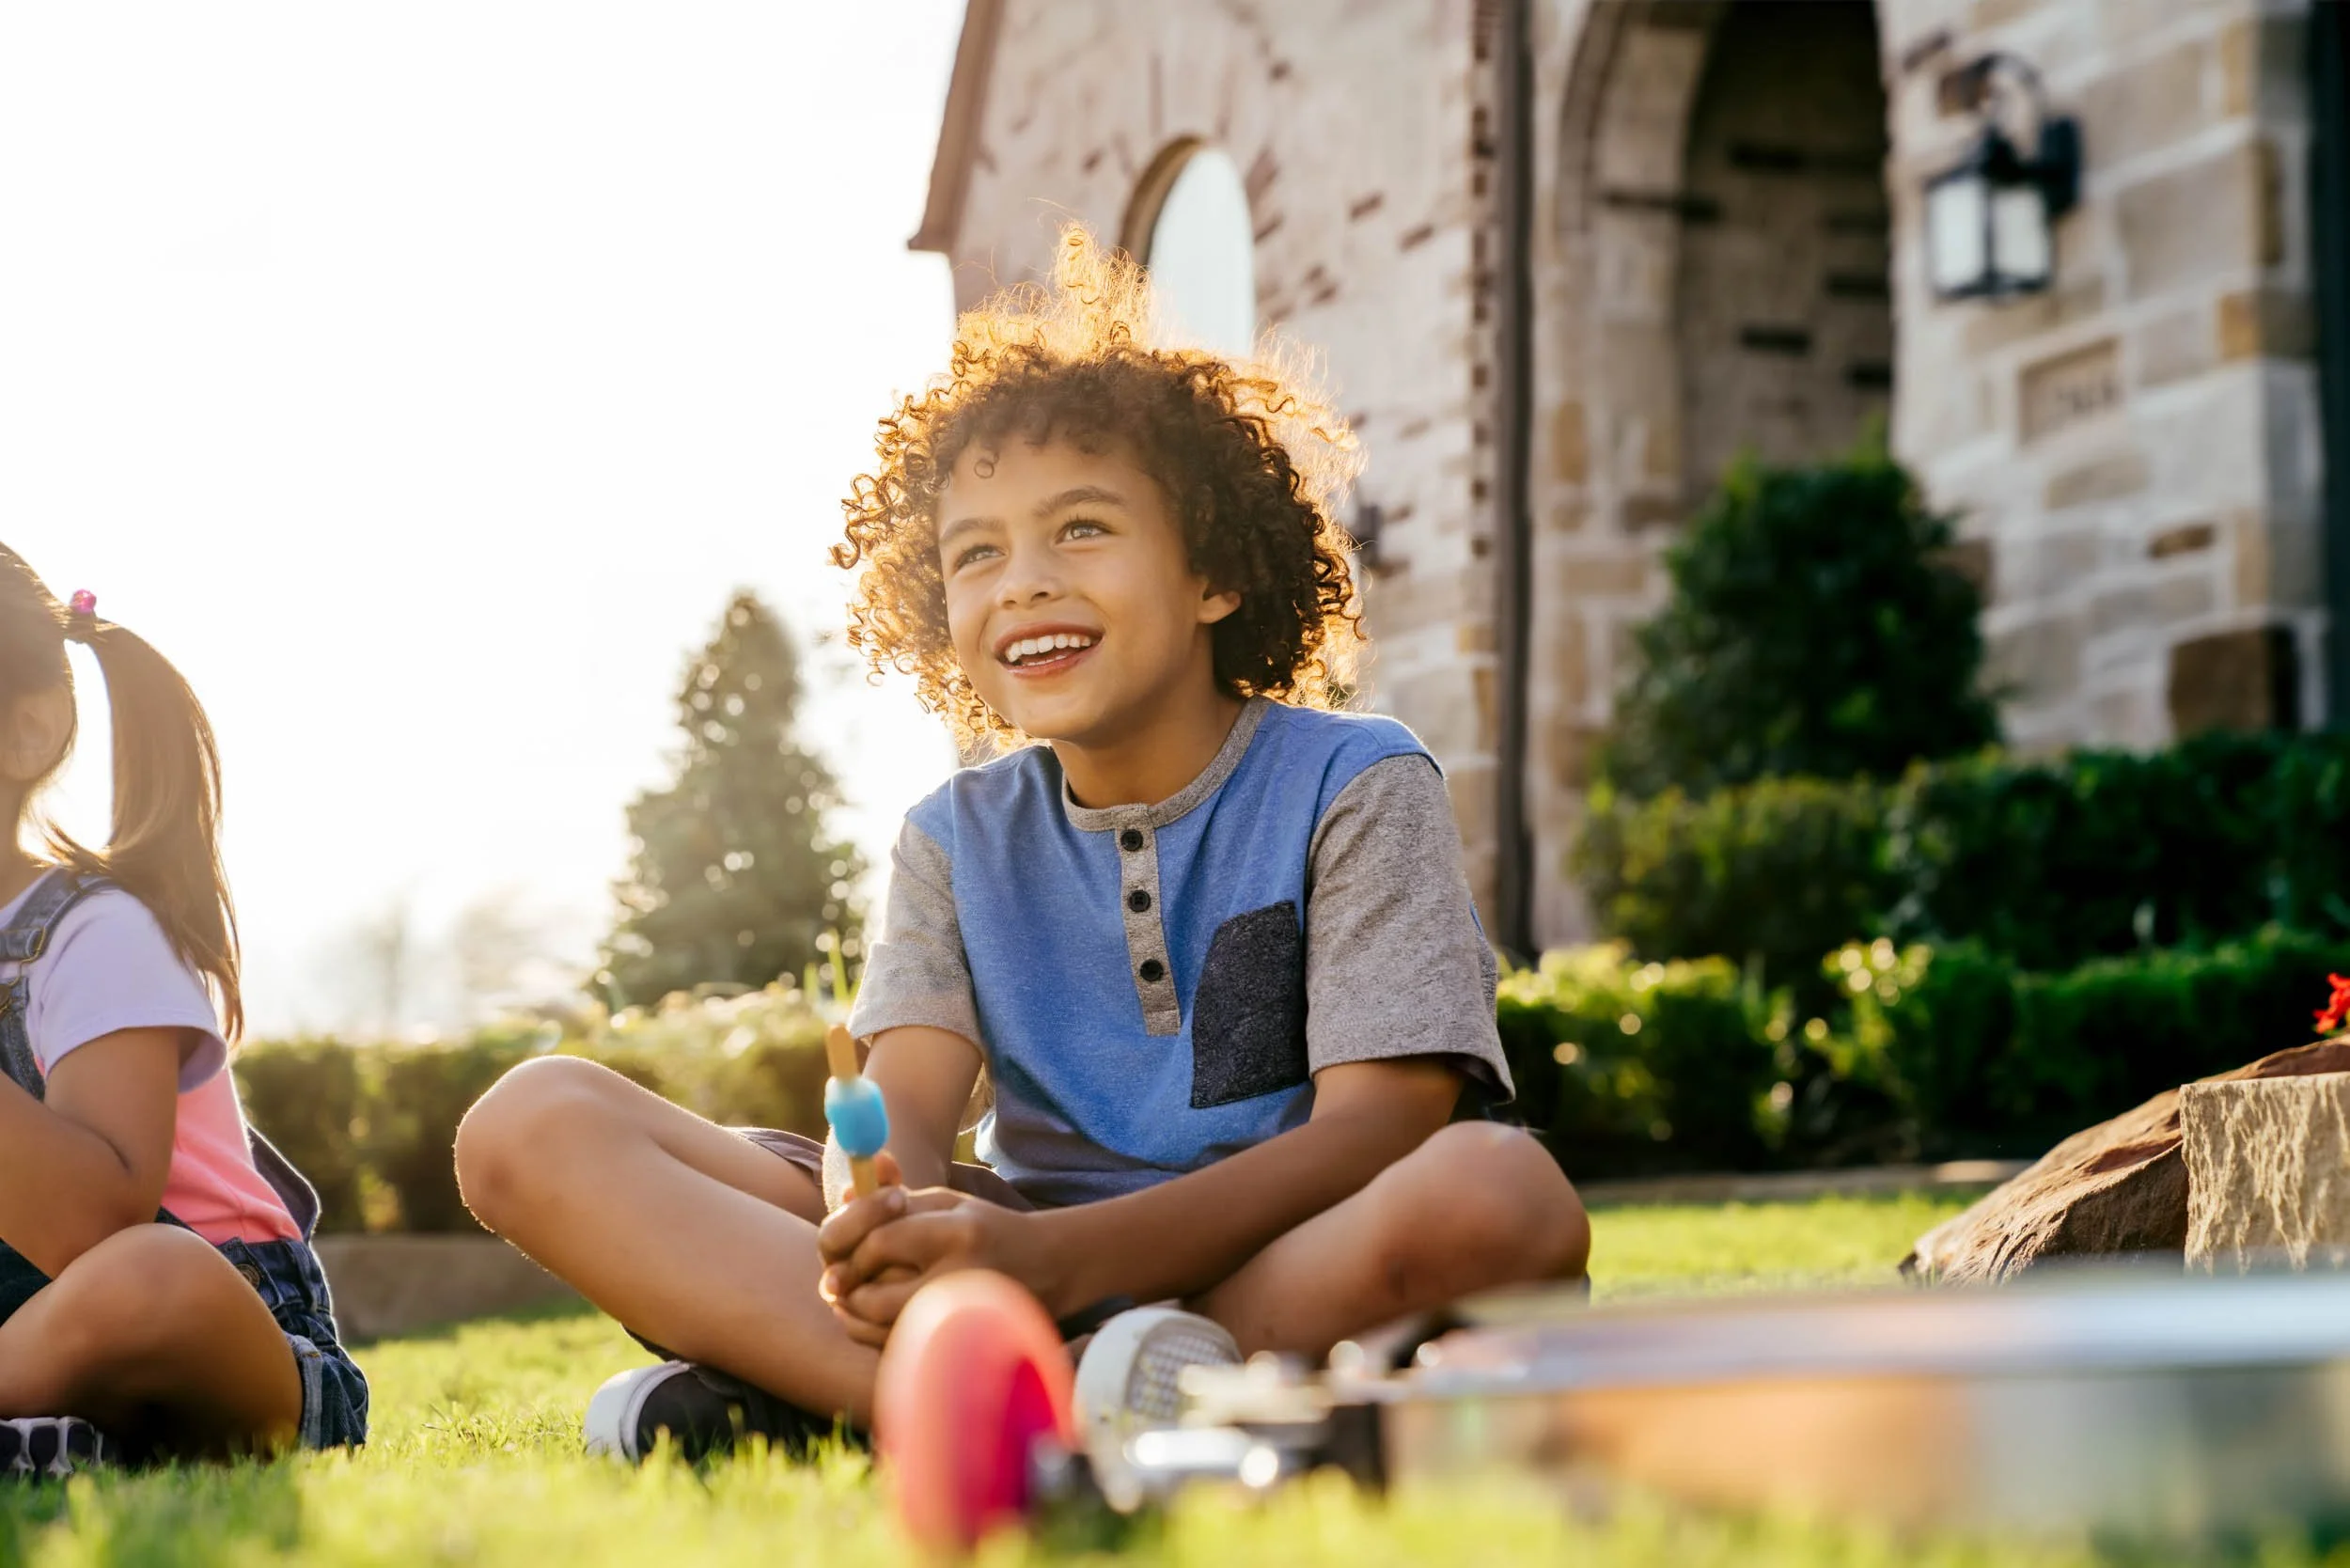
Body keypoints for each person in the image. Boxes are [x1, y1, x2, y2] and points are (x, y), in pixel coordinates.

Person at [454, 229, 1589, 1461]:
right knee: (532, 1126)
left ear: (1213, 573)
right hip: (1010, 1253)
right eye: (976, 553)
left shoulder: (1354, 781)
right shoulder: (952, 838)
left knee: (1500, 1190)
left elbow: (1382, 1130)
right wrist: (871, 1217)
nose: (1023, 584)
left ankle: (888, 1399)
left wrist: (1056, 1262)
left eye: (1082, 529)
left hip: (1272, 1253)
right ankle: (1102, 1400)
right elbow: (899, 1124)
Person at [0, 555, 367, 1474]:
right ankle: (45, 1438)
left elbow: (97, 1231)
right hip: (29, 1349)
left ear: (25, 732)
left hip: (223, 1335)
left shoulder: (89, 933)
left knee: (150, 1279)